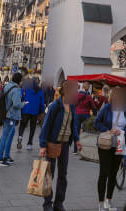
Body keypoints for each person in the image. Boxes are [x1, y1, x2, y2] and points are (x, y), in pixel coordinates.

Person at [39, 79, 81, 211]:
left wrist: (77, 140)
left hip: (65, 145)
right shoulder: (55, 106)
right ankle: (47, 204)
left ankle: (59, 203)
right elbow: (46, 126)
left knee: (63, 175)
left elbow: (73, 125)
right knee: (49, 174)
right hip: (53, 143)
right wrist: (42, 145)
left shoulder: (72, 106)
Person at [94, 86, 126, 211]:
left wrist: (122, 131)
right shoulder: (106, 108)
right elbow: (97, 123)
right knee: (104, 173)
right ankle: (100, 203)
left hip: (119, 144)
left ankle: (108, 201)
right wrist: (109, 130)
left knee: (113, 174)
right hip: (106, 144)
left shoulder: (125, 110)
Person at [0, 71, 25, 166]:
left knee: (10, 135)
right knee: (6, 136)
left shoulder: (7, 86)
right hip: (11, 115)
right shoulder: (16, 89)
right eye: (22, 80)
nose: (22, 82)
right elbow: (16, 104)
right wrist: (23, 104)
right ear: (19, 81)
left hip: (6, 114)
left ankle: (6, 156)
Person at [19, 76, 45, 150]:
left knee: (23, 125)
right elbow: (42, 103)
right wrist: (42, 112)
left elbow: (20, 96)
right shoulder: (39, 90)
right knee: (32, 127)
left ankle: (20, 136)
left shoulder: (25, 88)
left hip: (25, 109)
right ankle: (29, 143)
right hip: (35, 111)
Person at [73, 82, 95, 153]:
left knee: (76, 131)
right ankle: (84, 149)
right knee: (85, 131)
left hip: (77, 114)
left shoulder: (77, 95)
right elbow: (93, 106)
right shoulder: (89, 96)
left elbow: (74, 104)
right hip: (86, 114)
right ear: (88, 88)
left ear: (83, 87)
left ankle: (75, 149)